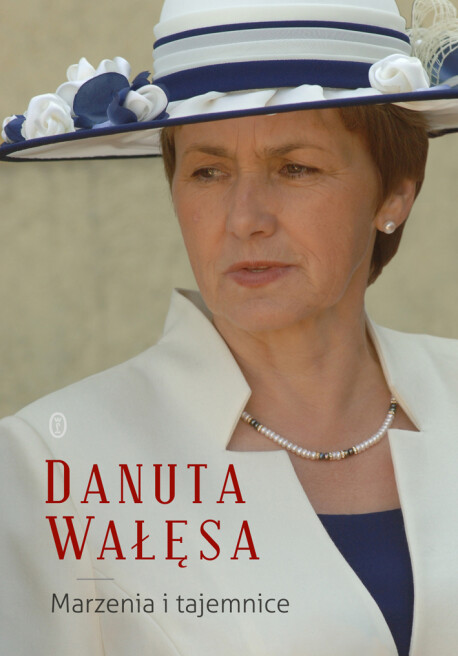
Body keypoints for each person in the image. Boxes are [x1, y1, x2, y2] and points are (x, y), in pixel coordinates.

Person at [1, 0, 458, 654]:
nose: (245, 219)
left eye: (295, 168)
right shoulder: (53, 462)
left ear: (395, 194)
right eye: (208, 171)